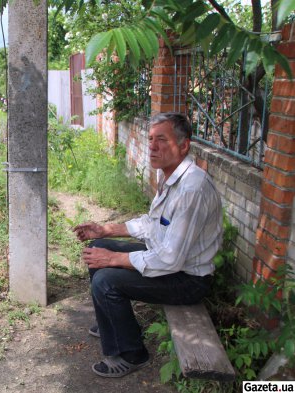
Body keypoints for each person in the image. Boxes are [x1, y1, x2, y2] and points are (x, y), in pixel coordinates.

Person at [72, 112, 223, 378]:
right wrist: (106, 229)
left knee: (105, 280)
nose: (152, 146)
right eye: (150, 139)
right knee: (98, 247)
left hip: (187, 280)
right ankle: (113, 324)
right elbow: (153, 224)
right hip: (170, 263)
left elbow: (171, 259)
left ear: (183, 145)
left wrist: (114, 259)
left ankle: (132, 354)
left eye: (161, 140)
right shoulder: (170, 176)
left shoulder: (192, 189)